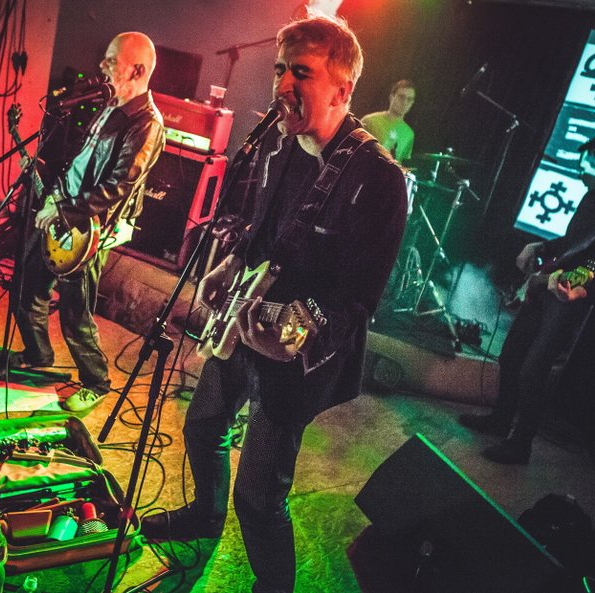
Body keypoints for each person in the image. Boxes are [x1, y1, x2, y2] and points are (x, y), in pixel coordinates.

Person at [140, 16, 407, 593]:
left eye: (301, 73)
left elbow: (358, 299)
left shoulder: (379, 179)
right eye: (280, 69)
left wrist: (297, 328)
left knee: (259, 494)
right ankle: (204, 515)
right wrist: (228, 266)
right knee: (202, 426)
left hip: (298, 355)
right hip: (244, 322)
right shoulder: (278, 145)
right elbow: (260, 231)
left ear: (342, 89)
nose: (283, 84)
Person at [459, 135, 595, 464]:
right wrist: (540, 246)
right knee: (512, 353)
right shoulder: (592, 198)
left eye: (585, 165)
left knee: (534, 369)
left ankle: (521, 444)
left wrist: (569, 281)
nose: (579, 172)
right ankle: (501, 418)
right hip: (548, 285)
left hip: (568, 297)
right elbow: (575, 242)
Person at [13, 32, 165, 413]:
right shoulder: (110, 106)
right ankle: (38, 354)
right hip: (60, 212)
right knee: (27, 287)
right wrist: (53, 193)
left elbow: (118, 187)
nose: (102, 66)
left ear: (137, 70)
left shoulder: (147, 124)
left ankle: (96, 382)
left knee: (74, 314)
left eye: (111, 60)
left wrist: (64, 211)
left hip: (86, 231)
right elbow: (80, 163)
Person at [360, 78, 416, 163]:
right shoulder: (369, 121)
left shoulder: (409, 134)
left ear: (412, 103)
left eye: (409, 99)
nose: (405, 102)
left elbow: (402, 164)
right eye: (401, 97)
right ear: (391, 97)